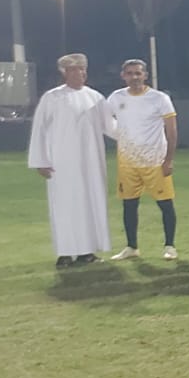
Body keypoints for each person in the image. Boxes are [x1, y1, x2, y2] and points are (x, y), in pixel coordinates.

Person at [27, 53, 112, 267]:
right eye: (74, 70)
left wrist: (136, 136)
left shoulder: (95, 97)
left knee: (90, 203)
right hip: (61, 163)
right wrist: (40, 160)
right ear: (65, 73)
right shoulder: (52, 97)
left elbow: (110, 126)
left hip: (91, 162)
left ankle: (87, 252)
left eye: (82, 69)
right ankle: (65, 253)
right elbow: (39, 129)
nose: (79, 73)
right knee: (64, 206)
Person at [103, 59, 179, 260]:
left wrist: (169, 159)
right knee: (129, 205)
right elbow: (103, 120)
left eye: (138, 73)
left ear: (145, 75)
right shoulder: (116, 97)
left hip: (155, 161)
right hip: (127, 162)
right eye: (130, 73)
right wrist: (119, 135)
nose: (134, 77)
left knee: (165, 204)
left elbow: (171, 131)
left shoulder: (159, 98)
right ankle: (131, 247)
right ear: (123, 76)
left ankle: (170, 246)